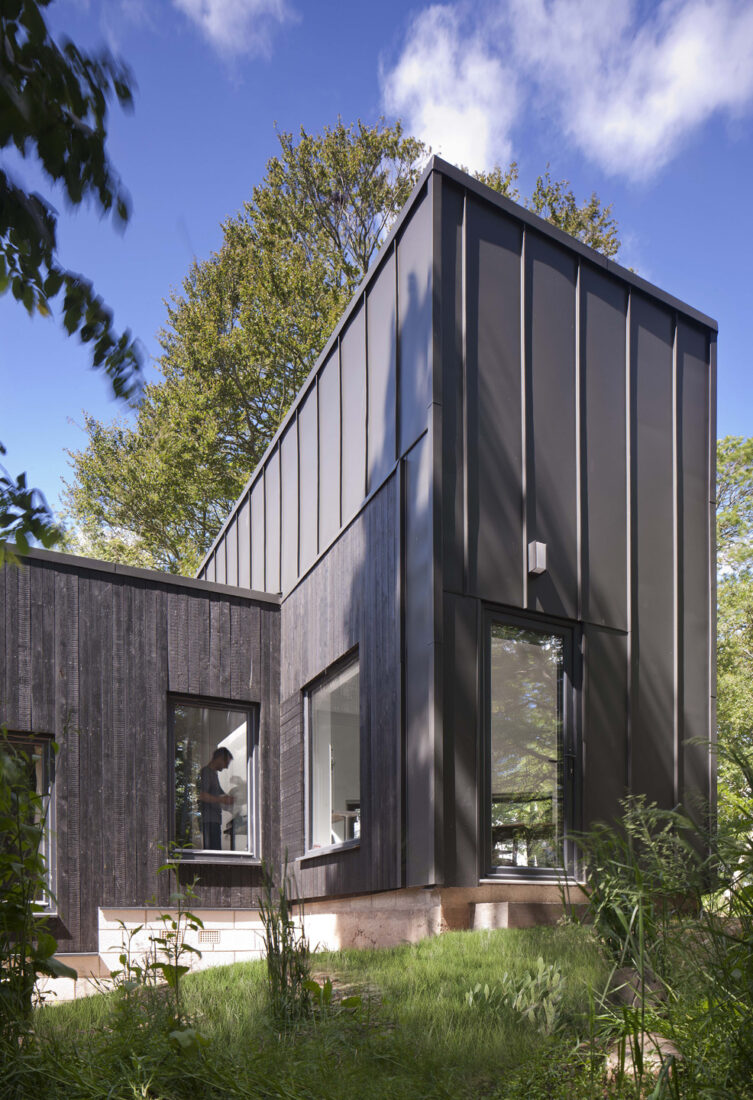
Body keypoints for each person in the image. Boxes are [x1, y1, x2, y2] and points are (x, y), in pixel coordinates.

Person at [198, 747, 234, 849]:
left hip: (215, 821)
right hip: (209, 822)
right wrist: (221, 799)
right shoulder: (206, 772)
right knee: (213, 853)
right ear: (220, 758)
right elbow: (202, 795)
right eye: (226, 763)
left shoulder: (214, 774)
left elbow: (220, 794)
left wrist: (229, 799)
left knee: (216, 852)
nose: (226, 767)